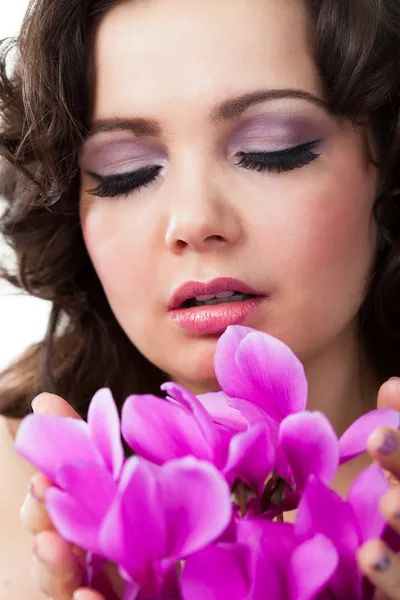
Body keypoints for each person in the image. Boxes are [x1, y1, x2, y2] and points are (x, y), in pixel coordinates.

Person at [0, 0, 400, 597]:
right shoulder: (28, 505)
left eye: (273, 147)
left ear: (389, 172)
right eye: (125, 171)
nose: (193, 221)